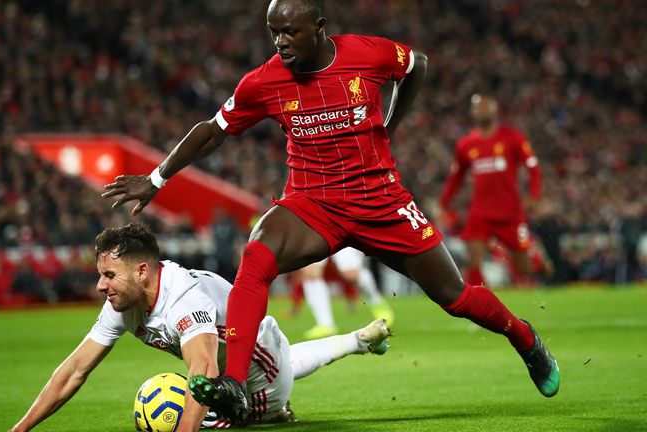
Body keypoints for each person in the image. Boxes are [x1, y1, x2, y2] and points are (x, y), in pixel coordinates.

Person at [102, 0, 560, 421]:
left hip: (381, 201)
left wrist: (390, 122)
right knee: (258, 253)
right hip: (312, 203)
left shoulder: (368, 54)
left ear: (319, 28)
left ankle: (525, 339)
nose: (280, 42)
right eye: (273, 32)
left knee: (455, 297)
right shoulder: (264, 81)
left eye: (290, 32)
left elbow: (416, 64)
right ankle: (236, 385)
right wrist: (157, 177)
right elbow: (213, 130)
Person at [8, 223, 391, 432]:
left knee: (204, 409)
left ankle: (273, 409)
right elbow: (75, 370)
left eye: (109, 275)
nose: (100, 285)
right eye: (100, 275)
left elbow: (203, 371)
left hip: (255, 373)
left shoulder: (184, 301)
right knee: (269, 367)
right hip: (256, 352)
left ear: (142, 271)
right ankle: (357, 340)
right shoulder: (124, 303)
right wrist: (21, 429)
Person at [440, 94, 545, 287]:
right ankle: (478, 301)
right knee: (473, 258)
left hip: (510, 212)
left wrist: (534, 196)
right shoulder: (465, 145)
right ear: (473, 113)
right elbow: (456, 177)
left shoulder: (513, 138)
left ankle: (538, 263)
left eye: (486, 107)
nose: (482, 111)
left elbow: (534, 170)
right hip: (480, 212)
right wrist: (444, 204)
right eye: (479, 107)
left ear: (495, 110)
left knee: (524, 267)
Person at [300, 247, 394, 339]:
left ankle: (376, 302)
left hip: (340, 232)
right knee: (310, 271)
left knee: (351, 275)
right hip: (318, 232)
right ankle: (325, 324)